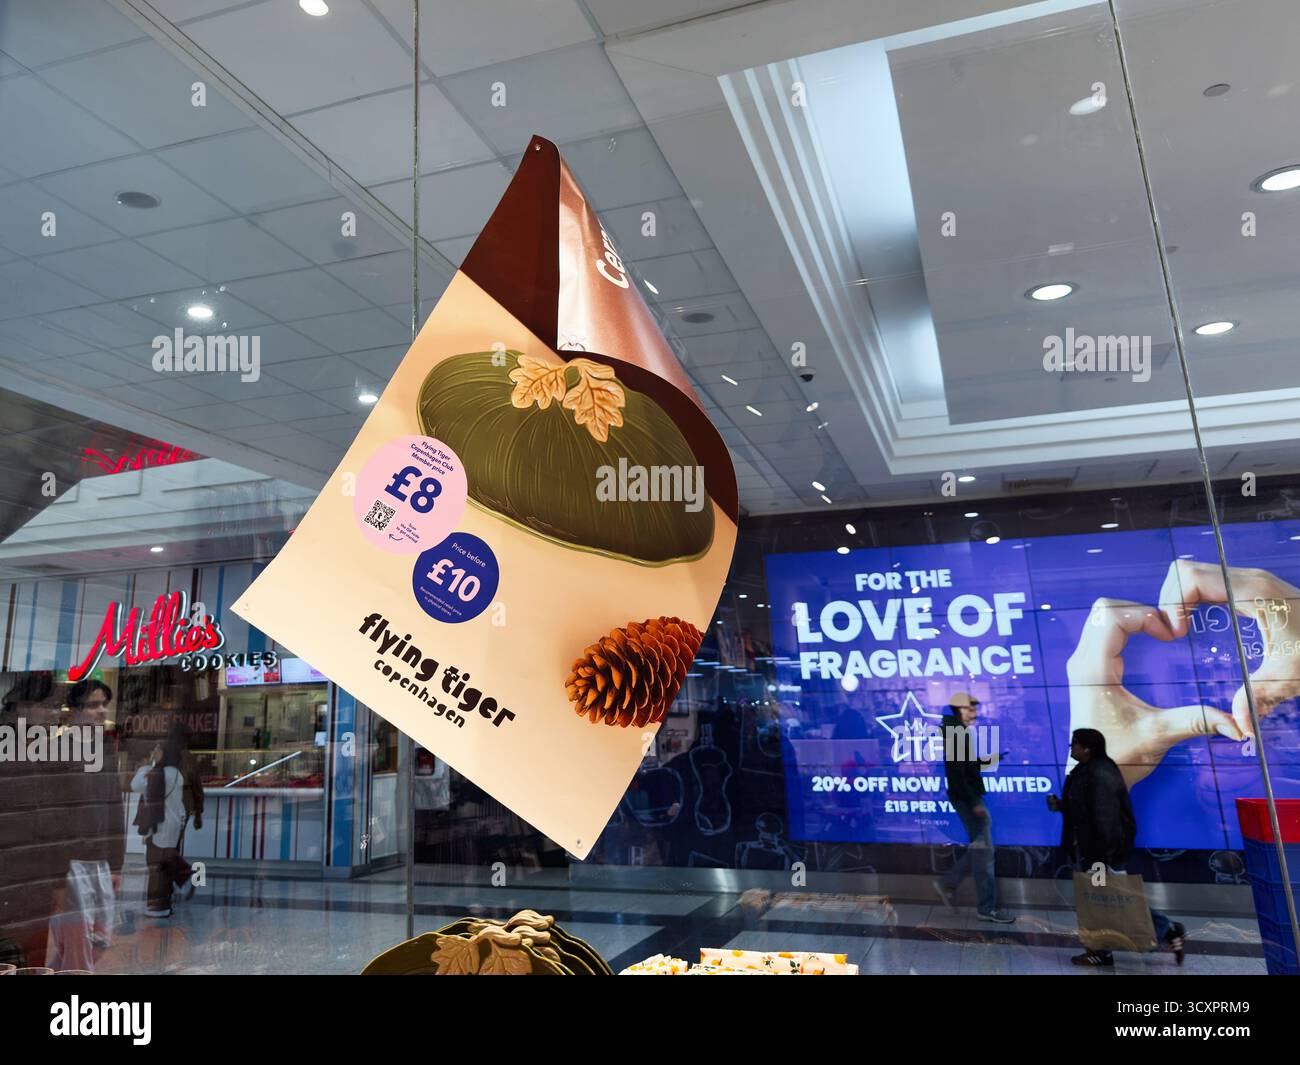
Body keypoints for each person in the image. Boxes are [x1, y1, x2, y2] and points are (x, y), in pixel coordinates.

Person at [1047, 728, 1186, 966]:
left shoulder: (1100, 773)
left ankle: (1106, 950)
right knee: (1109, 899)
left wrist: (1101, 859)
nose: (1072, 749)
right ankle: (1163, 931)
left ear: (1086, 748)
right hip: (1096, 851)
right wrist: (1061, 806)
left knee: (1105, 900)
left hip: (1101, 853)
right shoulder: (1086, 770)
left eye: (1075, 744)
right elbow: (1086, 809)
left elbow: (1105, 818)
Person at [932, 692, 1015, 924]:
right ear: (959, 710)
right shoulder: (957, 734)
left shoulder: (956, 732)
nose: (975, 713)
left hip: (968, 797)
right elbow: (958, 774)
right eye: (970, 709)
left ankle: (949, 883)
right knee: (985, 853)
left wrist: (990, 759)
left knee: (981, 849)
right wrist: (973, 803)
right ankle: (986, 908)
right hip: (969, 798)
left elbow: (966, 766)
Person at [129, 726, 195, 918]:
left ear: (163, 752)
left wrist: (147, 765)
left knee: (156, 865)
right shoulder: (177, 774)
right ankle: (172, 890)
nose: (153, 752)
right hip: (173, 825)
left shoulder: (156, 774)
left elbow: (135, 785)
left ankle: (158, 904)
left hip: (159, 826)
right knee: (164, 863)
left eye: (156, 750)